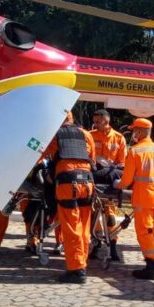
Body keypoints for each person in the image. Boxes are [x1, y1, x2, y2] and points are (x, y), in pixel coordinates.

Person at [117, 117, 154, 280]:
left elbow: (126, 180)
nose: (133, 133)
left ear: (140, 132)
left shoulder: (135, 151)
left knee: (145, 232)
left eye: (134, 130)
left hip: (144, 199)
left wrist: (118, 185)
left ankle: (151, 267)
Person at [43, 111, 96, 284]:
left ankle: (76, 270)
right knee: (84, 227)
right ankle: (82, 264)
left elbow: (40, 153)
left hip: (67, 184)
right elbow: (92, 160)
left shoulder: (55, 135)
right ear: (72, 118)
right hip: (87, 184)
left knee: (72, 227)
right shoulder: (87, 134)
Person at [89, 108, 127, 262]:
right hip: (95, 179)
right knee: (93, 215)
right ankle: (97, 244)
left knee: (110, 217)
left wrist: (112, 166)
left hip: (110, 180)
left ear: (106, 121)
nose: (95, 124)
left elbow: (123, 163)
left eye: (98, 121)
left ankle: (112, 246)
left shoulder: (118, 138)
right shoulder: (90, 136)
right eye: (95, 121)